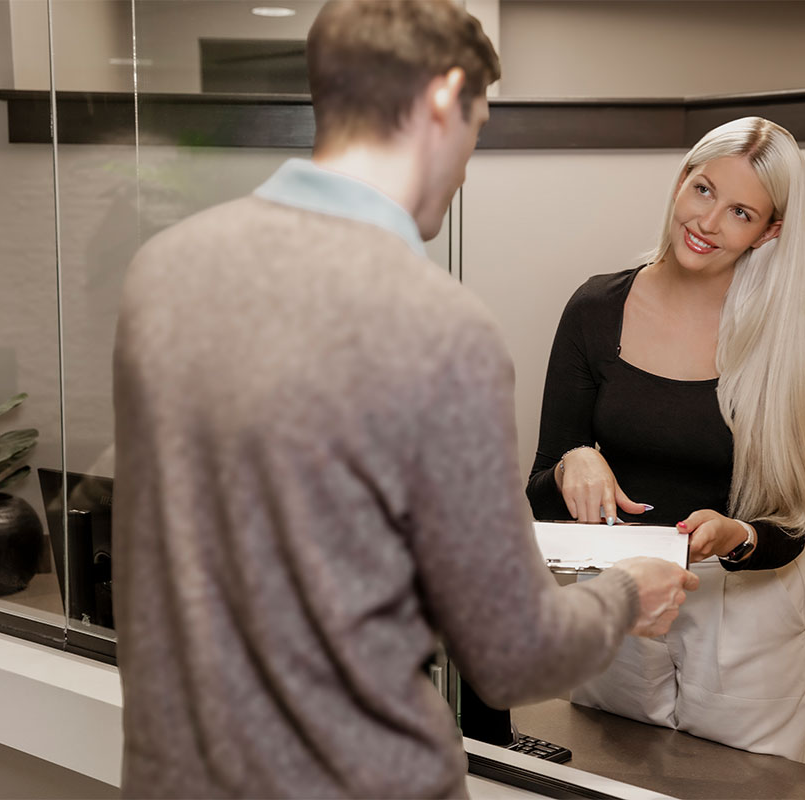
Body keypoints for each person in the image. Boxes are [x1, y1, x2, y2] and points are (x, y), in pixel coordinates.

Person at [111, 2, 699, 797]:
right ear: (441, 100)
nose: (464, 167)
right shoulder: (441, 330)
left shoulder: (161, 271)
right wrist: (630, 590)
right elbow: (514, 654)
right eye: (476, 127)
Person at [525, 116, 805, 762]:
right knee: (608, 776)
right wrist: (572, 463)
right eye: (702, 191)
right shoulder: (595, 310)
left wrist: (739, 535)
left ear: (770, 231)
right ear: (679, 182)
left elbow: (792, 523)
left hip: (747, 621)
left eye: (741, 212)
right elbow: (538, 495)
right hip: (621, 600)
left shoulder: (802, 333)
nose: (708, 222)